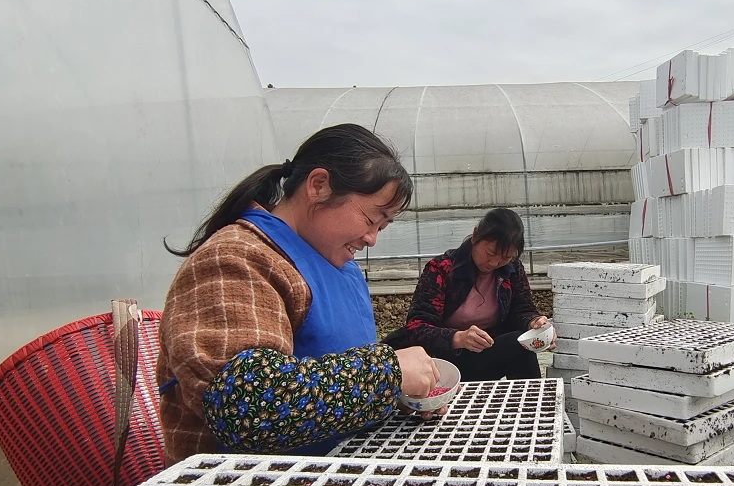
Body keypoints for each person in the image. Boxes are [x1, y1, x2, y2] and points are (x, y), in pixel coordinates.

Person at [157, 124, 442, 465]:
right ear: (319, 186)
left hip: (342, 472)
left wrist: (397, 393)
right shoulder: (236, 259)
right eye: (371, 219)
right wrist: (388, 374)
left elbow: (339, 370)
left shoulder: (336, 262)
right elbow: (247, 405)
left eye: (381, 228)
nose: (372, 239)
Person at [384, 208, 555, 382]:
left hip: (482, 356)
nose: (495, 263)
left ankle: (530, 404)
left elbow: (522, 310)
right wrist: (458, 338)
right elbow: (417, 328)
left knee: (520, 345)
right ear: (475, 235)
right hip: (439, 362)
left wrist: (534, 323)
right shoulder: (442, 269)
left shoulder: (512, 270)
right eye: (490, 253)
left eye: (506, 257)